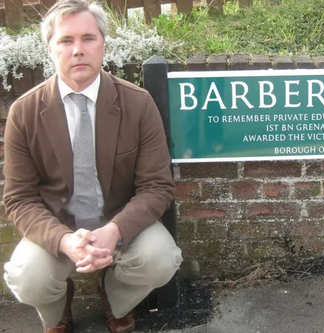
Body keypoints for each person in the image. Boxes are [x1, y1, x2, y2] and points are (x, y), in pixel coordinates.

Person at [2, 0, 183, 332]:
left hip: (119, 222)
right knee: (25, 277)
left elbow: (157, 187)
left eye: (88, 38)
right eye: (66, 41)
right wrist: (62, 240)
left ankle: (113, 299)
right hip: (58, 226)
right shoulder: (24, 113)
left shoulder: (138, 104)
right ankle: (58, 311)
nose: (78, 50)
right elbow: (18, 199)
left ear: (103, 44)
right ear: (50, 48)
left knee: (163, 259)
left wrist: (114, 231)